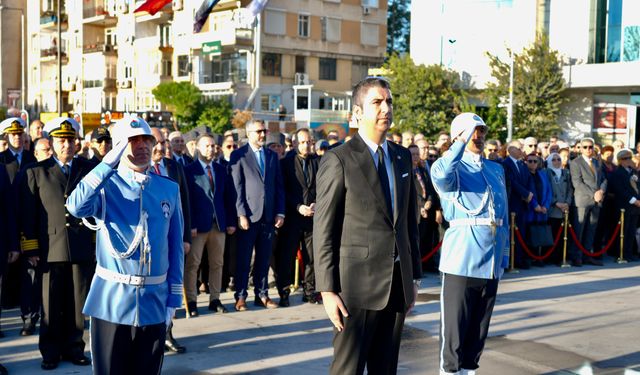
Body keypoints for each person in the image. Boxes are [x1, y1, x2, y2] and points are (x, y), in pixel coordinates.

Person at [313, 77, 422, 374]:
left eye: (389, 101)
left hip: (397, 284)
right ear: (358, 112)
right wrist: (327, 290)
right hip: (355, 289)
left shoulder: (401, 157)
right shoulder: (339, 159)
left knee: (385, 369)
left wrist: (414, 278)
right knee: (348, 369)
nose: (386, 108)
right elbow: (324, 229)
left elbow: (408, 222)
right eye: (377, 102)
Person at [66, 116, 184, 374]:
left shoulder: (168, 189)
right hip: (111, 301)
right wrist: (107, 164)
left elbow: (174, 248)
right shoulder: (105, 187)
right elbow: (75, 207)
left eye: (147, 140)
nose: (142, 145)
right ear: (119, 146)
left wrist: (173, 299)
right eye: (133, 140)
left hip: (154, 301)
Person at [430, 113, 509, 375]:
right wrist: (458, 144)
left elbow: (502, 216)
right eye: (473, 131)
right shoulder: (450, 167)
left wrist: (503, 258)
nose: (479, 135)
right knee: (454, 333)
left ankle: (468, 371)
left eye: (482, 130)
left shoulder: (495, 169)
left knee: (478, 332)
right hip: (461, 261)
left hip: (491, 263)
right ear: (459, 135)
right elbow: (440, 176)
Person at [19, 117, 96, 370]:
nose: (66, 145)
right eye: (61, 140)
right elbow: (28, 213)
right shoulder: (36, 171)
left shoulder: (87, 169)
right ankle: (50, 352)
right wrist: (30, 248)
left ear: (76, 143)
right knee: (50, 306)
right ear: (52, 143)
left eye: (70, 140)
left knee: (77, 304)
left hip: (80, 245)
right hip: (49, 248)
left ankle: (75, 348)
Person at [229, 119, 285, 311]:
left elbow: (278, 186)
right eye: (259, 131)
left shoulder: (271, 155)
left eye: (264, 131)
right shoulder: (239, 155)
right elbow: (237, 187)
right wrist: (241, 214)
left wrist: (280, 211)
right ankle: (241, 295)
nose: (263, 135)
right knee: (244, 259)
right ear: (249, 133)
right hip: (249, 216)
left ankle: (262, 294)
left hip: (268, 216)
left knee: (263, 258)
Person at [149, 127, 191, 354]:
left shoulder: (174, 166)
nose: (161, 147)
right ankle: (153, 336)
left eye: (163, 142)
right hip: (150, 241)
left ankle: (167, 332)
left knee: (171, 286)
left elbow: (184, 201)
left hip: (172, 238)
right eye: (156, 142)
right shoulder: (142, 168)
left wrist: (184, 238)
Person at [184, 134, 235, 316]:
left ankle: (215, 299)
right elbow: (187, 200)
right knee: (193, 264)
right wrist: (191, 225)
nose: (211, 149)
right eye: (207, 146)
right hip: (198, 226)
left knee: (217, 263)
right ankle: (192, 301)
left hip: (218, 224)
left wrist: (230, 221)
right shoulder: (189, 170)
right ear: (198, 148)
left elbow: (228, 198)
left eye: (213, 146)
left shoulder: (221, 170)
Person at [276, 128, 320, 306]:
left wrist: (316, 203)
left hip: (313, 217)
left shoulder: (319, 161)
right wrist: (298, 207)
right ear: (294, 144)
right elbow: (282, 191)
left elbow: (324, 186)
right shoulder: (285, 163)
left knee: (312, 257)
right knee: (287, 256)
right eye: (302, 142)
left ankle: (309, 291)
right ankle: (284, 292)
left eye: (309, 142)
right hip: (293, 218)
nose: (306, 145)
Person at [570, 137, 607, 267]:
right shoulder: (575, 163)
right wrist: (594, 194)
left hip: (597, 201)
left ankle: (587, 256)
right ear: (580, 149)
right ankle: (577, 257)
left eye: (590, 147)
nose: (588, 149)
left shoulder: (597, 162)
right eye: (585, 147)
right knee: (579, 230)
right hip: (582, 201)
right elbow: (577, 183)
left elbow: (603, 179)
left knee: (591, 230)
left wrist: (601, 191)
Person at [502, 140, 533, 269]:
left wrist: (529, 194)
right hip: (512, 203)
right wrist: (525, 193)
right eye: (519, 148)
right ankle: (510, 261)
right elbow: (512, 182)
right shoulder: (506, 164)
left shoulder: (522, 164)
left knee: (521, 232)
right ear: (510, 150)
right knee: (511, 235)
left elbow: (528, 180)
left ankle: (518, 259)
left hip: (523, 204)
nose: (522, 151)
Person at [609, 149, 640, 261]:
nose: (628, 160)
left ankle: (629, 253)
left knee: (631, 231)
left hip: (635, 207)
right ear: (620, 160)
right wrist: (633, 200)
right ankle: (620, 253)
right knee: (623, 231)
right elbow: (620, 190)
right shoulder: (617, 173)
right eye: (625, 158)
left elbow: (638, 187)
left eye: (629, 158)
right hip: (624, 206)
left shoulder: (633, 172)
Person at [524, 153, 552, 266]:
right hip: (530, 210)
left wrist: (546, 205)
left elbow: (549, 190)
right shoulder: (525, 174)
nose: (533, 163)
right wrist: (535, 205)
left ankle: (538, 257)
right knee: (529, 233)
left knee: (540, 234)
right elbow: (526, 191)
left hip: (543, 209)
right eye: (530, 161)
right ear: (526, 162)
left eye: (535, 161)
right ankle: (529, 258)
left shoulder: (542, 174)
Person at [544, 152, 573, 265]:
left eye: (559, 159)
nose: (556, 162)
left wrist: (567, 203)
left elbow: (570, 189)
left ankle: (561, 257)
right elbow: (546, 190)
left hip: (564, 209)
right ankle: (550, 257)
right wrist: (556, 203)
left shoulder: (566, 172)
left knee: (563, 236)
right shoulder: (546, 172)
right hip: (553, 209)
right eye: (554, 160)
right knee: (552, 234)